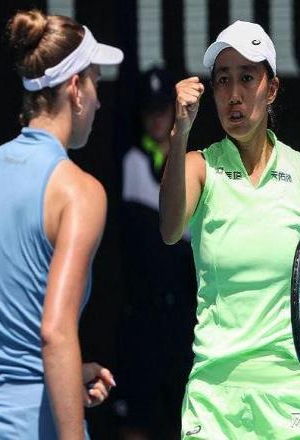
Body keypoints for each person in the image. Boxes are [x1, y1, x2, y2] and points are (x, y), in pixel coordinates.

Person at [159, 20, 300, 439]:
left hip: (293, 400)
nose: (234, 94)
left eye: (247, 78)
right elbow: (170, 229)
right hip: (215, 403)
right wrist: (180, 133)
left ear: (271, 89)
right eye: (223, 80)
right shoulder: (198, 167)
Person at [0, 10, 123, 440]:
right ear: (75, 89)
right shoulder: (80, 192)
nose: (99, 101)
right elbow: (55, 334)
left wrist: (67, 377)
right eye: (95, 83)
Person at [115, 67, 196, 439]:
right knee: (137, 419)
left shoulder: (194, 168)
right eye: (150, 111)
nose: (157, 119)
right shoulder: (129, 163)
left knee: (190, 419)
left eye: (163, 110)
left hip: (185, 319)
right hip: (142, 319)